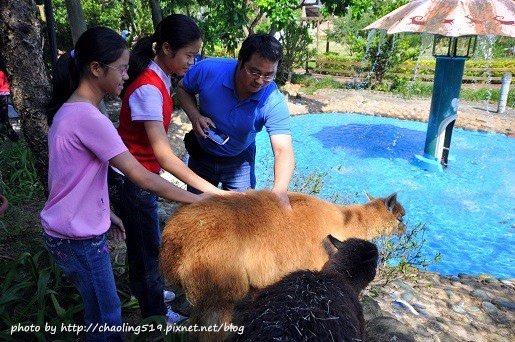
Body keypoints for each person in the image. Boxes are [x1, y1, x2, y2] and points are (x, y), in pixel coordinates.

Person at [41, 27, 212, 341]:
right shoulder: (90, 118)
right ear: (96, 69)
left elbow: (70, 180)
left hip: (68, 233)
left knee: (99, 311)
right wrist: (199, 199)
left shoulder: (72, 112)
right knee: (107, 318)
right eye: (121, 69)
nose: (126, 75)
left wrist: (105, 214)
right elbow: (142, 176)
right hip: (78, 240)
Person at [108, 14, 226, 322]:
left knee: (144, 243)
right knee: (147, 250)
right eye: (189, 55)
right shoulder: (148, 87)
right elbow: (164, 156)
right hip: (134, 179)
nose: (192, 61)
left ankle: (149, 292)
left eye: (196, 55)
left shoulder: (158, 76)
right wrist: (210, 191)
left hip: (139, 174)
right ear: (167, 49)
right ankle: (155, 316)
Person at [177, 33, 295, 207]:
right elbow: (182, 88)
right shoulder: (208, 70)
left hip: (240, 161)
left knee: (241, 215)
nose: (260, 81)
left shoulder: (273, 100)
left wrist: (280, 189)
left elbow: (283, 149)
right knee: (195, 211)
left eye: (269, 75)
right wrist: (195, 116)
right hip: (202, 154)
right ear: (240, 60)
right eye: (253, 71)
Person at [0, 53, 19, 142]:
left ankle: (12, 137)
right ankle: (13, 137)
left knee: (3, 118)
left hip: (2, 91)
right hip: (2, 91)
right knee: (3, 118)